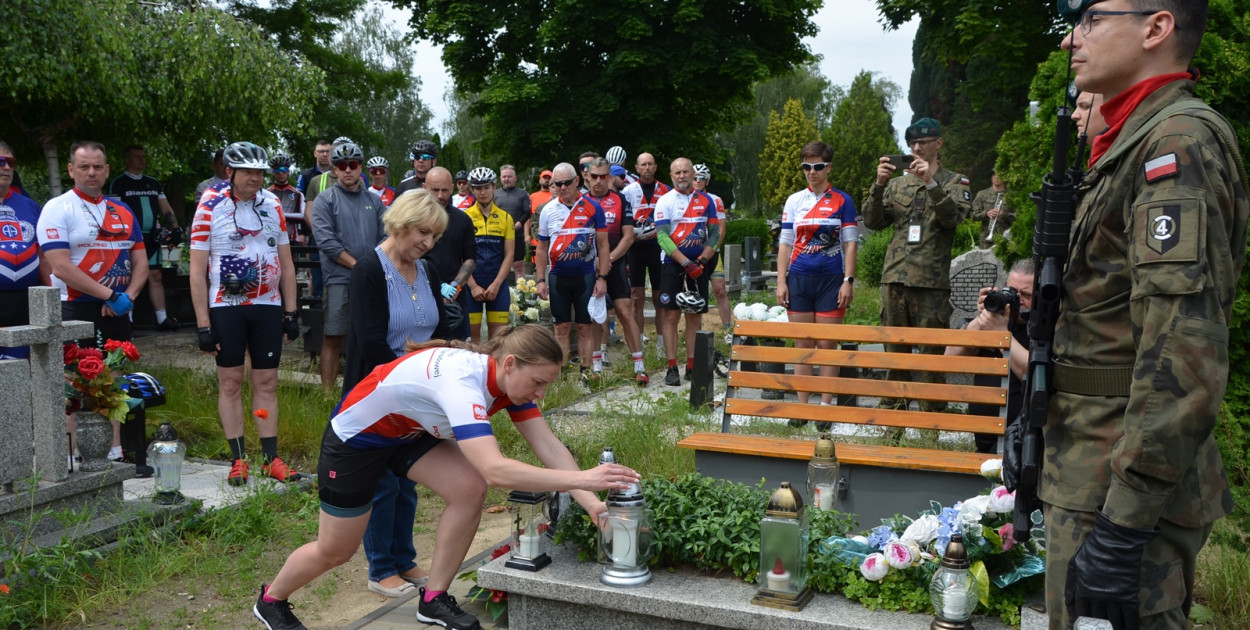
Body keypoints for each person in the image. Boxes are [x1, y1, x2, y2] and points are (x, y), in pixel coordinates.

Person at [1039, 3, 1246, 628]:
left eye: (1094, 18)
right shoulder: (1131, 140)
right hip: (1091, 465)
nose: (1074, 37)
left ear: (1156, 28)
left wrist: (1123, 525)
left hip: (1119, 487)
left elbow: (1183, 352)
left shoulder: (1175, 144)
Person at [252, 324, 640, 630]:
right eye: (537, 382)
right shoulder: (462, 384)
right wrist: (587, 479)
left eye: (546, 385)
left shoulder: (508, 385)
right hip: (357, 441)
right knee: (336, 550)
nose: (540, 393)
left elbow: (549, 447)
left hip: (408, 432)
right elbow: (495, 467)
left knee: (469, 489)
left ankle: (433, 599)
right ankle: (271, 600)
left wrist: (594, 505)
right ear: (509, 364)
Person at [343, 189, 451, 599]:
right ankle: (381, 567)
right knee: (384, 481)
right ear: (401, 224)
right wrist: (411, 375)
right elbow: (370, 341)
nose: (428, 243)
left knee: (409, 479)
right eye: (423, 232)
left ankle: (404, 558)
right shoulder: (369, 269)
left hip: (419, 389)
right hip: (380, 390)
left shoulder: (428, 269)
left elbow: (438, 325)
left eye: (435, 236)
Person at [189, 141, 301, 486]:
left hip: (266, 305)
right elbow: (196, 270)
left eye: (260, 172)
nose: (256, 178)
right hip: (226, 306)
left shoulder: (272, 204)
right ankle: (238, 459)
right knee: (231, 381)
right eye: (248, 172)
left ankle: (271, 459)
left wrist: (291, 311)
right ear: (229, 172)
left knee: (266, 381)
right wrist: (203, 324)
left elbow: (286, 261)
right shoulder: (209, 205)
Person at [38, 141, 149, 460]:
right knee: (72, 384)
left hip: (117, 306)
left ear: (107, 170)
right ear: (71, 169)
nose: (91, 172)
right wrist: (109, 294)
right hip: (73, 306)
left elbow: (140, 262)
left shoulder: (123, 210)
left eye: (98, 166)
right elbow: (60, 265)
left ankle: (113, 452)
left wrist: (126, 297)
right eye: (84, 166)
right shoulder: (58, 207)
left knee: (112, 383)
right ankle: (70, 456)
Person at [862, 117, 971, 415]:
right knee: (894, 358)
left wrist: (930, 184)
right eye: (912, 143)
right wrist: (879, 183)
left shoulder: (955, 181)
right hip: (894, 278)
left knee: (930, 360)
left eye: (923, 142)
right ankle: (892, 427)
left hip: (930, 284)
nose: (917, 147)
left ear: (939, 143)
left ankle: (931, 430)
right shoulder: (897, 184)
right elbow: (873, 222)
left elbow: (952, 219)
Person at [776, 142, 858, 407]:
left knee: (826, 347)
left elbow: (851, 243)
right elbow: (785, 243)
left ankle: (825, 407)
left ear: (828, 167)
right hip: (798, 279)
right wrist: (780, 281)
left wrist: (848, 281)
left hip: (831, 280)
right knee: (803, 348)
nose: (812, 172)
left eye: (818, 166)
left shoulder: (843, 200)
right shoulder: (794, 200)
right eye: (806, 167)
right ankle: (802, 407)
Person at [311, 141, 387, 392]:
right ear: (334, 169)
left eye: (352, 165)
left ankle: (367, 390)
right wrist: (360, 267)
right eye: (341, 165)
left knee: (372, 336)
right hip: (338, 278)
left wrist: (370, 269)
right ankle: (327, 394)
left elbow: (386, 237)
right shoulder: (325, 200)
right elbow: (326, 243)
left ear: (360, 167)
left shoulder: (374, 201)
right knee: (333, 336)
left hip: (372, 280)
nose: (347, 170)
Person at [944, 258, 1032, 454]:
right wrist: (981, 319)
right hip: (983, 438)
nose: (1017, 299)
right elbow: (950, 360)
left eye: (1026, 295)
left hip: (1019, 441)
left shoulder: (1041, 330)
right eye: (1011, 291)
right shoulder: (992, 321)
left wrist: (1001, 335)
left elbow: (1034, 374)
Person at [534, 162, 611, 371]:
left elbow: (604, 246)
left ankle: (586, 372)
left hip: (585, 276)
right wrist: (540, 280)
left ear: (577, 181)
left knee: (585, 327)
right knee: (561, 328)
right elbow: (541, 248)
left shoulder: (593, 207)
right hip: (558, 276)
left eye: (567, 183)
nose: (562, 187)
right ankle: (561, 374)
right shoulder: (548, 210)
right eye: (557, 184)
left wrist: (602, 278)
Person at [654, 157, 719, 386]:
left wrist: (701, 261)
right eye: (677, 173)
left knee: (694, 316)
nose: (682, 176)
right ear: (671, 176)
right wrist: (685, 263)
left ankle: (692, 366)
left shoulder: (706, 201)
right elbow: (662, 236)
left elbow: (714, 234)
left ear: (693, 174)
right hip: (673, 265)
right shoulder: (664, 201)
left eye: (685, 172)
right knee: (671, 316)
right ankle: (672, 367)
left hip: (699, 265)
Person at [583, 158, 647, 385]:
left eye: (603, 176)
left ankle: (639, 366)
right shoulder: (581, 202)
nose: (598, 181)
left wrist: (607, 259)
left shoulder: (620, 200)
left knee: (624, 310)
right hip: (589, 265)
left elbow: (628, 237)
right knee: (593, 314)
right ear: (586, 176)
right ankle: (596, 367)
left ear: (609, 177)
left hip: (615, 262)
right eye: (594, 176)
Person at [108, 144, 183, 331]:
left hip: (151, 238)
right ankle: (128, 320)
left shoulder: (153, 182)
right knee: (128, 277)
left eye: (143, 156)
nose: (142, 160)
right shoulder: (118, 183)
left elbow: (165, 207)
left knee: (155, 275)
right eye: (137, 156)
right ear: (127, 159)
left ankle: (162, 319)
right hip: (129, 238)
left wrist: (175, 228)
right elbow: (113, 210)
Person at [421, 167, 477, 341]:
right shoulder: (414, 219)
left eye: (444, 190)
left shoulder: (463, 220)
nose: (439, 195)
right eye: (434, 190)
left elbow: (470, 259)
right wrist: (436, 287)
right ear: (424, 188)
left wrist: (455, 286)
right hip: (421, 294)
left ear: (452, 188)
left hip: (454, 299)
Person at [621, 152, 670, 342]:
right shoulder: (628, 191)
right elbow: (623, 218)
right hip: (636, 249)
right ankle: (638, 340)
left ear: (655, 167)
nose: (647, 168)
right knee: (636, 297)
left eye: (650, 164)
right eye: (644, 164)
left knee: (659, 298)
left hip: (659, 248)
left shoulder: (666, 190)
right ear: (637, 168)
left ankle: (660, 342)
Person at [0, 140, 42, 360]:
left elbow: (43, 256)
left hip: (25, 303)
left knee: (21, 372)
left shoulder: (30, 205)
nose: (6, 167)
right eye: (0, 161)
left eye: (10, 162)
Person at [463, 167, 515, 341]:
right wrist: (472, 286)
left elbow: (509, 255)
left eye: (486, 187)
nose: (482, 192)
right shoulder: (464, 217)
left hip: (497, 284)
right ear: (472, 189)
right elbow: (461, 256)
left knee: (498, 341)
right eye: (478, 188)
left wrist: (497, 284)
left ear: (494, 187)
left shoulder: (506, 218)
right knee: (472, 342)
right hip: (471, 283)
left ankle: (496, 369)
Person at [691, 164, 733, 343]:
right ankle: (696, 332)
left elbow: (721, 229)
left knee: (720, 290)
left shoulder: (716, 200)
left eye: (701, 178)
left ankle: (728, 330)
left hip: (712, 252)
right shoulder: (686, 199)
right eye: (695, 177)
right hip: (694, 252)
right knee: (697, 294)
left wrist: (713, 248)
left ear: (707, 181)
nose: (698, 181)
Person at [494, 164, 532, 281]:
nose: (506, 179)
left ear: (515, 178)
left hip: (517, 235)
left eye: (509, 176)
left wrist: (519, 223)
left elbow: (527, 212)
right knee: (499, 265)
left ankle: (521, 294)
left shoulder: (522, 194)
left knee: (518, 266)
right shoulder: (494, 194)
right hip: (498, 235)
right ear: (500, 178)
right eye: (504, 176)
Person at [268, 154, 307, 245]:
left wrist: (279, 214)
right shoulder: (267, 193)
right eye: (277, 170)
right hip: (271, 236)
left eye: (284, 170)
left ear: (288, 171)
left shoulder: (297, 194)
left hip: (291, 239)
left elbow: (302, 216)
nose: (281, 173)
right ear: (273, 172)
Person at [970, 170, 1014, 248]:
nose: (996, 177)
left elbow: (1019, 216)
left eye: (999, 174)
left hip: (1006, 238)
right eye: (993, 175)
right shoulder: (982, 194)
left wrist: (1005, 215)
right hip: (986, 240)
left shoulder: (1011, 196)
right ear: (991, 177)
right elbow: (973, 215)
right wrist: (986, 213)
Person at [526, 169, 553, 263]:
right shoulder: (532, 197)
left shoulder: (556, 196)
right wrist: (527, 235)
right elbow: (528, 217)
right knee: (538, 262)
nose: (546, 180)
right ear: (540, 180)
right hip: (537, 234)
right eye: (544, 178)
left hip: (552, 235)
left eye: (549, 178)